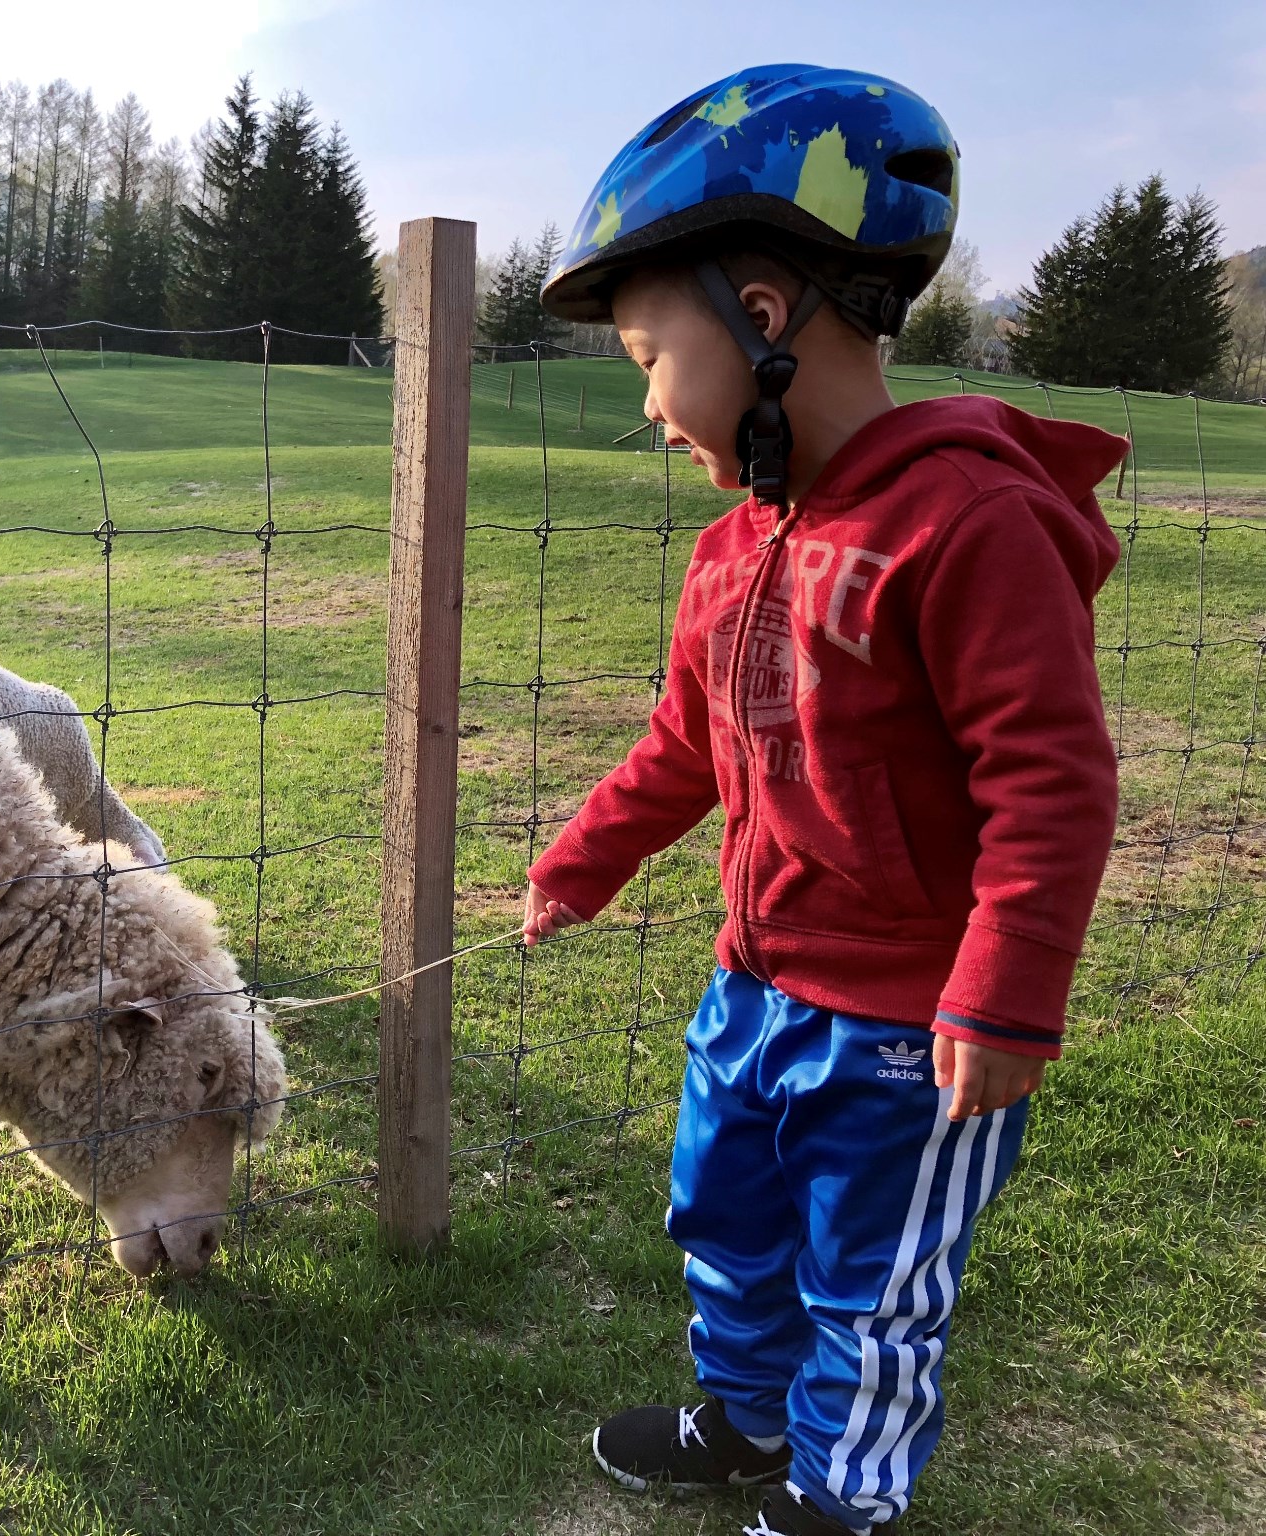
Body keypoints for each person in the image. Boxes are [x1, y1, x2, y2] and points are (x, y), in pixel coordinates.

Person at [521, 64, 1127, 1535]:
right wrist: (582, 864)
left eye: (650, 358)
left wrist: (1002, 995)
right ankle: (741, 1417)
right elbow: (686, 745)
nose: (654, 407)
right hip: (757, 992)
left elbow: (1053, 781)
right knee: (721, 1220)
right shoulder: (736, 552)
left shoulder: (967, 524)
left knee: (873, 1284)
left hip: (913, 1030)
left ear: (764, 317)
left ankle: (840, 1496)